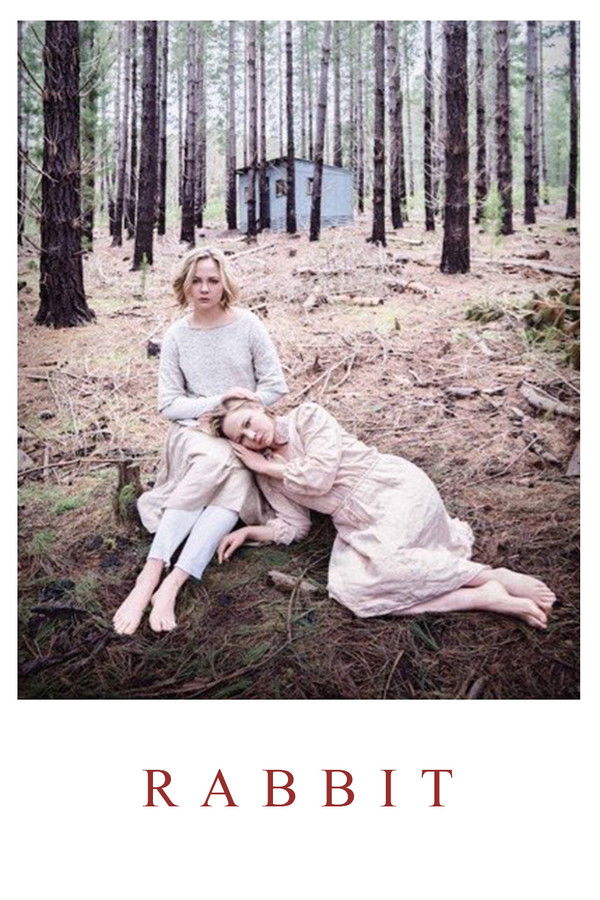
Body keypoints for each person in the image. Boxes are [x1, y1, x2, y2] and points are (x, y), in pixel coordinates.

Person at [213, 398, 556, 629]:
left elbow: (319, 476)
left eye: (248, 422)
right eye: (242, 438)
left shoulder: (307, 417)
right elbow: (296, 525)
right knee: (353, 592)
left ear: (258, 407)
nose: (252, 435)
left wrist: (268, 468)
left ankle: (488, 575)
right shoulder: (267, 474)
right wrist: (250, 532)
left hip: (392, 489)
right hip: (357, 523)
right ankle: (482, 596)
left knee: (391, 564)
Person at [113, 248, 288, 635]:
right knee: (215, 461)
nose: (205, 289)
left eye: (212, 280)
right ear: (185, 285)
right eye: (196, 281)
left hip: (241, 432)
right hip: (193, 431)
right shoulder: (177, 335)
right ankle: (150, 573)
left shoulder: (248, 324)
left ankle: (173, 582)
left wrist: (242, 411)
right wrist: (219, 402)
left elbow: (275, 385)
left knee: (236, 475)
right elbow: (168, 404)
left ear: (224, 283)